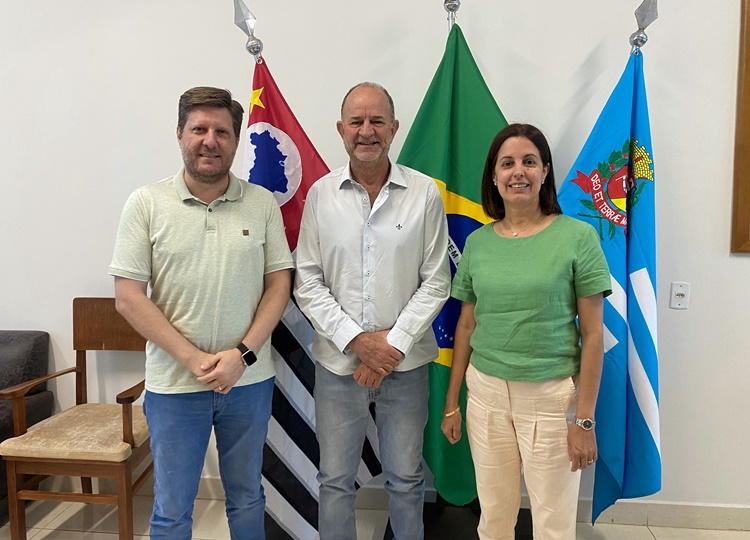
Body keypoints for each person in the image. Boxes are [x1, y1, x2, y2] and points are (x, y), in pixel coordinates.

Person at [109, 86, 293, 540]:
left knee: (248, 497)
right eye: (199, 129)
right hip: (174, 385)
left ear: (235, 140)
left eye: (222, 132)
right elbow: (129, 296)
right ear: (179, 134)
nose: (210, 140)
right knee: (172, 510)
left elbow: (279, 286)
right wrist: (195, 361)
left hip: (248, 383)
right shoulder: (146, 204)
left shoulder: (261, 203)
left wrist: (241, 357)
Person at [294, 82, 451, 540]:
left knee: (407, 480)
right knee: (335, 482)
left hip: (406, 367)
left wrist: (391, 346)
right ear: (341, 130)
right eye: (357, 122)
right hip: (338, 367)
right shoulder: (320, 196)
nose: (367, 131)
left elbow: (437, 279)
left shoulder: (424, 194)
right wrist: (358, 342)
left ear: (394, 128)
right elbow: (307, 280)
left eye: (377, 121)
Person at [440, 124, 612, 540]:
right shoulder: (478, 243)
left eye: (529, 162)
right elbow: (466, 324)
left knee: (553, 523)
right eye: (508, 163)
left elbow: (593, 335)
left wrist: (584, 421)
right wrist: (452, 402)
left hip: (551, 400)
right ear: (494, 177)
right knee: (494, 517)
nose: (519, 172)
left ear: (545, 172)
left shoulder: (578, 237)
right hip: (486, 397)